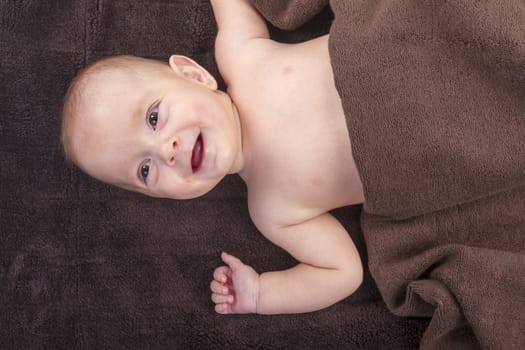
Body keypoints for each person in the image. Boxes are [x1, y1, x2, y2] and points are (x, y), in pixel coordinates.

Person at [61, 0, 365, 315]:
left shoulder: (242, 58)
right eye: (145, 169)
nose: (166, 149)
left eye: (153, 118)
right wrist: (261, 294)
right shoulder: (271, 210)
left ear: (194, 76)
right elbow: (342, 272)